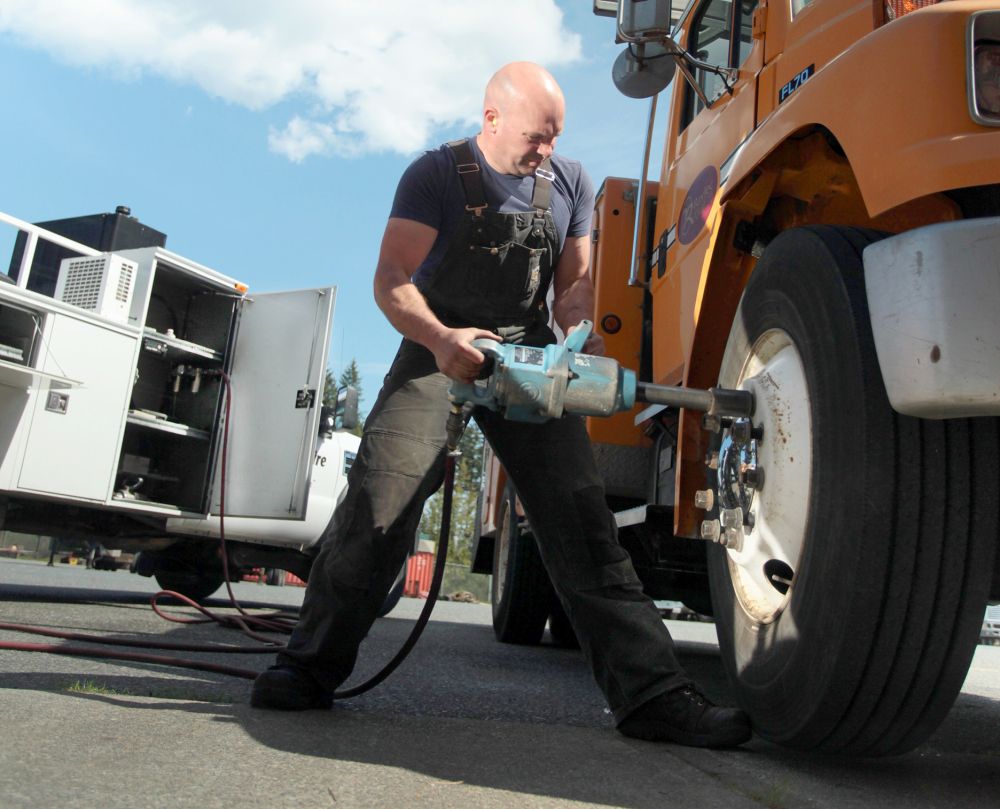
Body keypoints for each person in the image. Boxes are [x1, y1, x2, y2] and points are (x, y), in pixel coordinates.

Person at [251, 62, 752, 749]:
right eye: (536, 135)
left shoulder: (567, 180)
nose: (547, 148)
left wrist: (573, 333)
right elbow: (391, 279)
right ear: (492, 119)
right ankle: (308, 666)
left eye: (555, 136)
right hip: (438, 344)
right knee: (380, 503)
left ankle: (654, 695)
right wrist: (441, 338)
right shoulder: (435, 176)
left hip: (528, 356)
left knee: (582, 523)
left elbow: (573, 283)